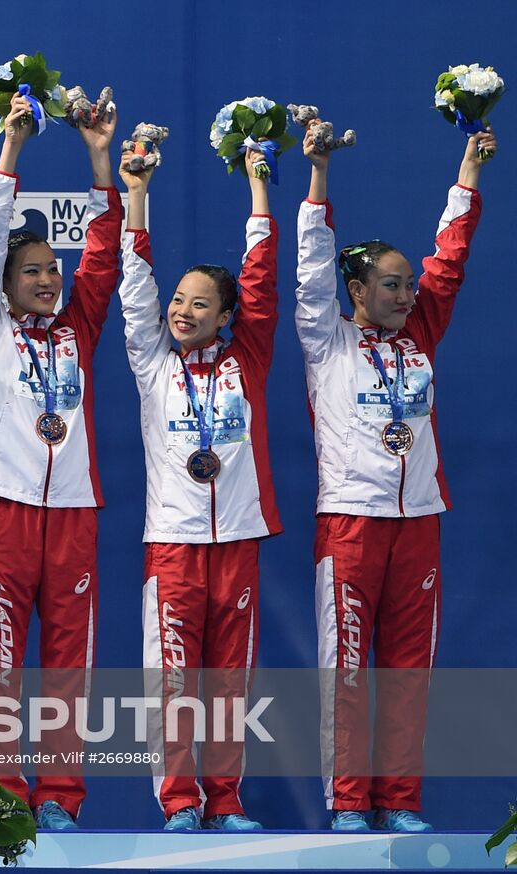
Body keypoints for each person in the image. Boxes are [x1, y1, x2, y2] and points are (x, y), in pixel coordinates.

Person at [297, 122, 497, 833]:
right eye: (391, 284)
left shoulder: (421, 333)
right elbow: (310, 266)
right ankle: (350, 801)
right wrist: (318, 175)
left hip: (417, 523)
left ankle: (400, 798)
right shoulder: (326, 338)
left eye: (409, 284)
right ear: (355, 289)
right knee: (348, 668)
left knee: (409, 670)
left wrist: (469, 171)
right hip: (350, 521)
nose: (407, 294)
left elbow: (451, 259)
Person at [0, 95, 119, 829]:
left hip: (74, 512)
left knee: (67, 661)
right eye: (32, 272)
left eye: (53, 269)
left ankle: (60, 795)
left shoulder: (77, 328)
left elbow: (104, 259)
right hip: (5, 508)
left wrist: (98, 160)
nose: (50, 280)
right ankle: (1, 791)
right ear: (3, 283)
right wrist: (12, 151)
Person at [117, 144, 278, 830]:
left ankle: (227, 800)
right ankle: (180, 801)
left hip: (238, 538)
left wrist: (258, 189)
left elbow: (262, 280)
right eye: (178, 300)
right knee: (174, 682)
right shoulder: (153, 361)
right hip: (174, 544)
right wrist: (137, 195)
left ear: (225, 315)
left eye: (199, 303)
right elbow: (134, 287)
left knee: (229, 683)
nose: (182, 311)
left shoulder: (249, 359)